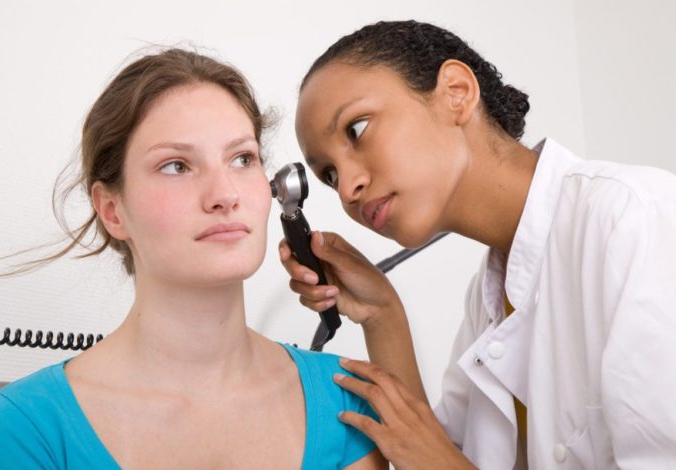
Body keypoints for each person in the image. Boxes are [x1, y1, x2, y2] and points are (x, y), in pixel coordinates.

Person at [280, 19, 676, 469]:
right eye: (328, 175)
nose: (347, 186)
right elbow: (433, 454)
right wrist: (382, 314)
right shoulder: (488, 297)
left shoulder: (635, 220)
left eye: (357, 130)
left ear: (456, 92)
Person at [0, 48, 387, 469]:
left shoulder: (346, 400)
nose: (225, 194)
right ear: (112, 210)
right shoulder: (27, 430)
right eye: (176, 166)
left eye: (242, 159)